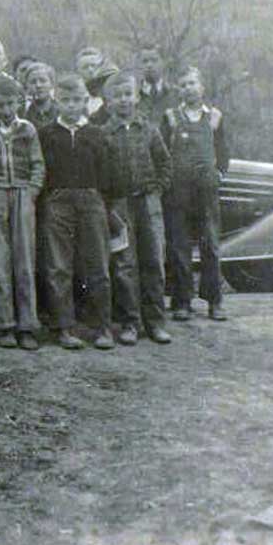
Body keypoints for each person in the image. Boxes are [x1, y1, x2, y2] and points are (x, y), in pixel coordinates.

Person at [36, 73, 114, 350]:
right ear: (57, 101)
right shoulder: (46, 134)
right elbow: (41, 172)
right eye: (65, 100)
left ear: (85, 101)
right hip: (57, 201)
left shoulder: (96, 133)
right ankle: (64, 327)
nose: (71, 106)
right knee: (59, 266)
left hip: (91, 200)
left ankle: (103, 326)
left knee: (97, 264)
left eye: (76, 101)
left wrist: (100, 200)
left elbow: (107, 175)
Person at [98, 70, 173, 346]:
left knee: (153, 260)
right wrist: (108, 201)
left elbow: (165, 162)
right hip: (119, 205)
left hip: (147, 203)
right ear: (107, 102)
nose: (123, 100)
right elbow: (100, 171)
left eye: (128, 94)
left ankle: (155, 322)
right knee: (125, 264)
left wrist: (157, 188)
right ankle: (130, 322)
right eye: (117, 96)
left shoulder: (149, 129)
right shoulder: (104, 134)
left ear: (137, 97)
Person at [0, 74, 45, 350]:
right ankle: (5, 324)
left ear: (19, 102)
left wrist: (32, 189)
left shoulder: (28, 129)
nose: (5, 110)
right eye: (0, 105)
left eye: (11, 104)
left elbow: (38, 163)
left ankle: (27, 325)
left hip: (22, 193)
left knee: (24, 257)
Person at [162, 66, 230, 322]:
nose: (188, 88)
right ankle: (182, 301)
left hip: (206, 191)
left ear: (202, 87)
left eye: (192, 83)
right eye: (183, 85)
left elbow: (223, 153)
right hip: (178, 191)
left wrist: (219, 175)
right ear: (179, 90)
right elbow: (163, 152)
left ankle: (214, 302)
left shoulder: (214, 117)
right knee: (179, 246)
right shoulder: (170, 117)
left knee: (210, 244)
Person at [76, 47, 119, 119]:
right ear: (78, 71)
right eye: (85, 67)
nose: (90, 70)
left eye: (93, 65)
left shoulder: (111, 89)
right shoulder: (76, 95)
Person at [23, 62, 62, 130]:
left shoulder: (62, 112)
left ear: (52, 83)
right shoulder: (23, 114)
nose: (38, 85)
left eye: (43, 81)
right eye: (33, 82)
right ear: (27, 85)